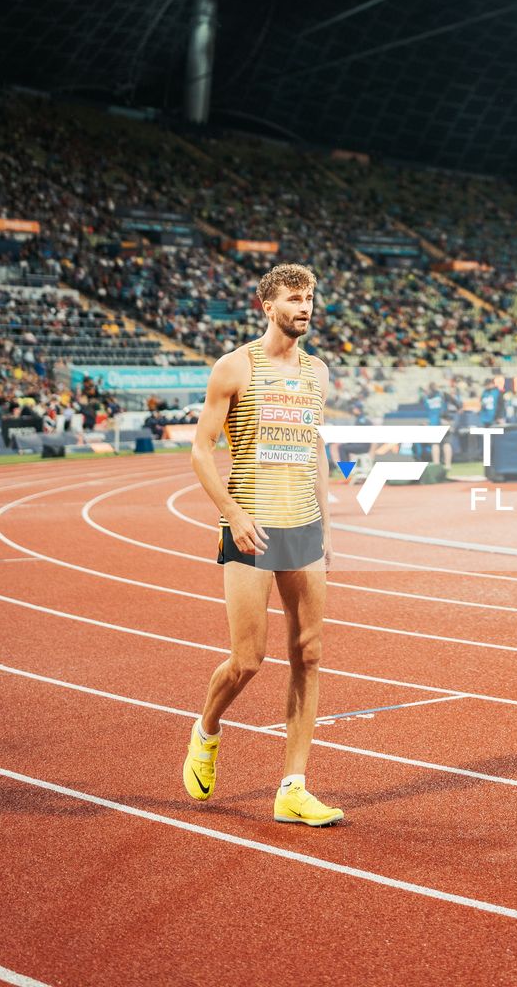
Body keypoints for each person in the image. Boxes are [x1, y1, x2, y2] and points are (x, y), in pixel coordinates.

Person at [181, 261, 343, 827]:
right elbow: (201, 450)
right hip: (250, 526)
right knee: (249, 660)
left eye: (311, 299)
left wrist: (327, 523)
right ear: (267, 306)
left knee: (311, 654)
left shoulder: (318, 373)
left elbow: (313, 448)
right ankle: (207, 728)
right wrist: (231, 513)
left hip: (301, 527)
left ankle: (293, 787)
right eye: (295, 299)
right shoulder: (235, 367)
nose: (306, 308)